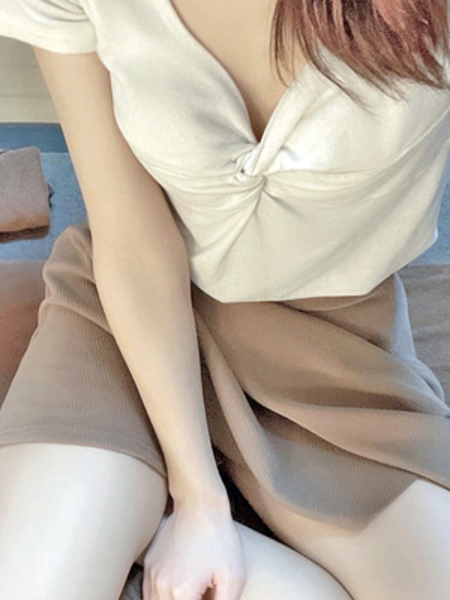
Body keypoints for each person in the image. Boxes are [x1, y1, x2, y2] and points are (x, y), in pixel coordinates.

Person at [0, 1, 450, 599]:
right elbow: (131, 239)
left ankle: (138, 539)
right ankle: (155, 519)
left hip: (334, 352)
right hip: (136, 319)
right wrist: (198, 498)